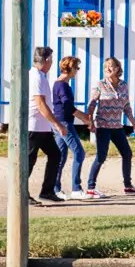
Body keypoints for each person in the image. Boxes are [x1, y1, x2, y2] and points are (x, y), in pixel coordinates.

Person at [81, 56, 135, 199]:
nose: (108, 69)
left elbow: (126, 107)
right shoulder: (100, 84)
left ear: (117, 68)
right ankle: (91, 187)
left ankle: (128, 186)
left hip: (117, 127)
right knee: (101, 156)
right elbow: (92, 103)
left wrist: (134, 124)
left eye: (110, 66)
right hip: (103, 126)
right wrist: (89, 120)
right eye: (105, 67)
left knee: (127, 153)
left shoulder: (123, 85)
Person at [26, 45, 63, 204]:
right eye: (51, 59)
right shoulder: (36, 77)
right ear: (46, 60)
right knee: (28, 161)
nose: (52, 62)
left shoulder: (41, 76)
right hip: (33, 127)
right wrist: (57, 124)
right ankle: (22, 193)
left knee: (55, 155)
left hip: (43, 128)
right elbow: (41, 104)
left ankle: (47, 191)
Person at [51, 54, 86, 200]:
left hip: (57, 122)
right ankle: (76, 188)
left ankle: (55, 188)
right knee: (79, 152)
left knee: (61, 155)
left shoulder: (58, 83)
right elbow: (67, 106)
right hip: (64, 122)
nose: (77, 71)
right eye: (76, 68)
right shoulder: (63, 85)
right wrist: (84, 117)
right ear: (70, 68)